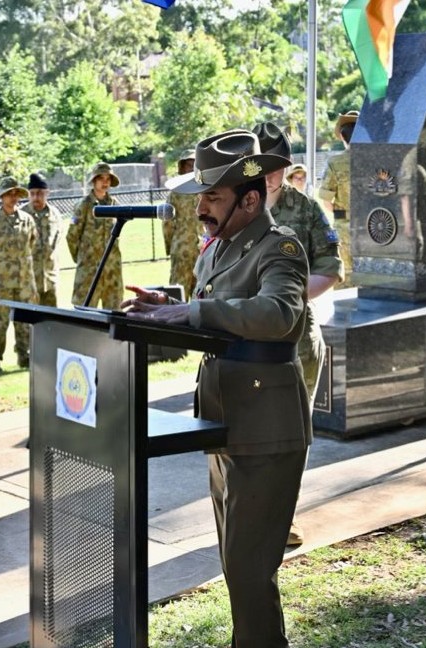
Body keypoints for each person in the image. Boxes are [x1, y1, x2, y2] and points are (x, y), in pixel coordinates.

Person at [122, 130, 310, 648]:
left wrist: (192, 309)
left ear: (250, 199)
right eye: (201, 196)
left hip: (266, 428)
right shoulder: (218, 247)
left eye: (212, 197)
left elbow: (280, 313)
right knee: (236, 566)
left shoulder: (282, 247)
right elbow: (216, 311)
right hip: (224, 423)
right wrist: (169, 303)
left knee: (250, 570)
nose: (201, 207)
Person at [255, 121, 344, 547]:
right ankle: (248, 513)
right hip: (246, 337)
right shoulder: (237, 209)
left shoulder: (306, 209)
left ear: (286, 167)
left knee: (291, 433)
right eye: (259, 166)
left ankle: (281, 517)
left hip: (295, 339)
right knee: (249, 432)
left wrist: (287, 298)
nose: (267, 175)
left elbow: (331, 268)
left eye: (274, 167)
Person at [0, 176, 38, 372]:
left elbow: (32, 244)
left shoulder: (27, 220)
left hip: (23, 282)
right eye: (8, 194)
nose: (13, 198)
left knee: (24, 321)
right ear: (1, 197)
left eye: (15, 194)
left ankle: (24, 355)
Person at [66, 162, 123, 308]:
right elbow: (72, 236)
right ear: (94, 181)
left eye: (108, 179)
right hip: (89, 271)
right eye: (101, 178)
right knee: (85, 314)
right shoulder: (84, 205)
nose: (105, 182)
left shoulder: (115, 205)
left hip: (111, 271)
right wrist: (82, 258)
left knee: (114, 312)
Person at [319, 110, 358, 281]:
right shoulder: (377, 159)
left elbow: (326, 198)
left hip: (345, 228)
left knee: (347, 279)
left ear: (342, 137)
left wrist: (340, 215)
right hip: (376, 228)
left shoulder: (335, 163)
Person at [163, 149, 203, 299]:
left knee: (201, 293)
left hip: (202, 250)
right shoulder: (175, 193)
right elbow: (167, 223)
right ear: (182, 167)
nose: (191, 168)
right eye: (188, 164)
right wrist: (171, 247)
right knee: (177, 292)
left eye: (194, 164)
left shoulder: (205, 190)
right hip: (181, 250)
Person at [25, 172, 64, 307]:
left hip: (50, 280)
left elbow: (57, 241)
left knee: (51, 323)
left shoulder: (55, 215)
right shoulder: (21, 215)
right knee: (28, 325)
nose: (36, 197)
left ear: (47, 193)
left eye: (40, 193)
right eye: (33, 193)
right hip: (27, 283)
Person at [397, 149, 426, 260]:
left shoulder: (412, 168)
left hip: (412, 218)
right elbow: (406, 196)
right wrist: (409, 225)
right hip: (409, 220)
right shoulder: (411, 167)